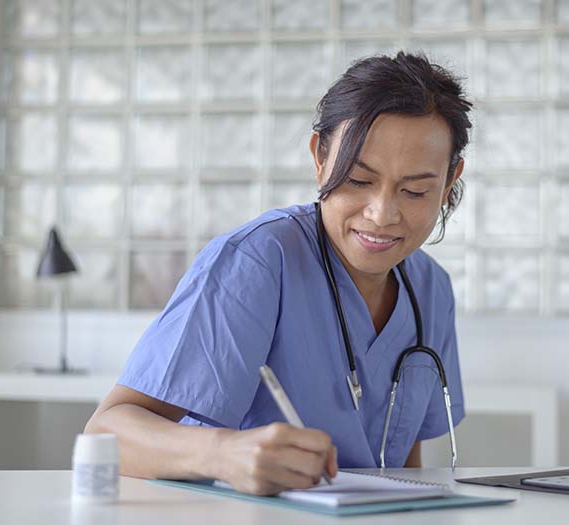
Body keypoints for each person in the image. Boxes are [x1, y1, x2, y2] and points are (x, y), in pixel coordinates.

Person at [85, 51, 473, 496]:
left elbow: (402, 464)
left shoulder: (430, 290)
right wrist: (225, 454)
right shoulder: (256, 261)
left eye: (415, 190)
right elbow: (105, 433)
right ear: (320, 158)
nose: (382, 214)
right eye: (359, 181)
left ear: (448, 182)